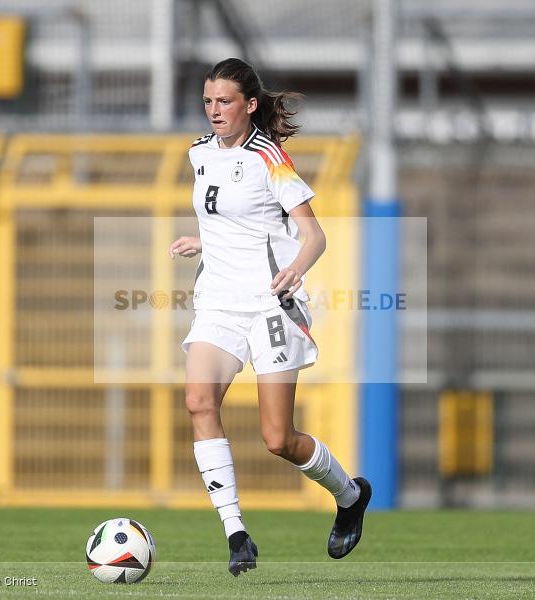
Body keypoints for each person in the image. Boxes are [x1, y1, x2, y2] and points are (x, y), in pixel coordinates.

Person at [169, 57, 372, 577]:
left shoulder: (269, 157)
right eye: (209, 101)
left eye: (225, 102)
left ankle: (350, 495)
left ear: (250, 105)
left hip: (269, 305)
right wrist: (205, 243)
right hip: (218, 300)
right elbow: (227, 222)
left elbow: (314, 235)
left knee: (278, 438)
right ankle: (236, 534)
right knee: (198, 401)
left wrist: (295, 271)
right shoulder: (198, 154)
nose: (214, 111)